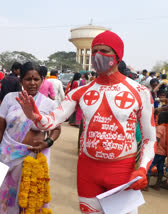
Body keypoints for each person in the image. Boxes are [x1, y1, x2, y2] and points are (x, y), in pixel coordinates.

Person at [17, 31, 156, 214]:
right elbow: (50, 122)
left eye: (104, 50)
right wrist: (34, 115)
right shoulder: (80, 91)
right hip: (87, 172)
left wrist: (143, 169)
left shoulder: (140, 92)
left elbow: (149, 139)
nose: (98, 56)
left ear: (117, 55)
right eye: (94, 51)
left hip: (122, 172)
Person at [0, 62, 61, 213]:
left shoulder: (49, 104)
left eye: (36, 79)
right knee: (5, 195)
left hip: (34, 156)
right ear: (21, 80)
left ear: (42, 80)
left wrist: (47, 143)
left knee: (31, 198)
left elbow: (56, 129)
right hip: (7, 156)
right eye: (28, 79)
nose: (32, 83)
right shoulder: (10, 99)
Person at [145, 111, 168, 191]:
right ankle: (157, 185)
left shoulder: (159, 128)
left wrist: (151, 148)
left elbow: (157, 139)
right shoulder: (166, 128)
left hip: (157, 152)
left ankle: (145, 185)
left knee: (150, 166)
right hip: (164, 153)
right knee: (160, 168)